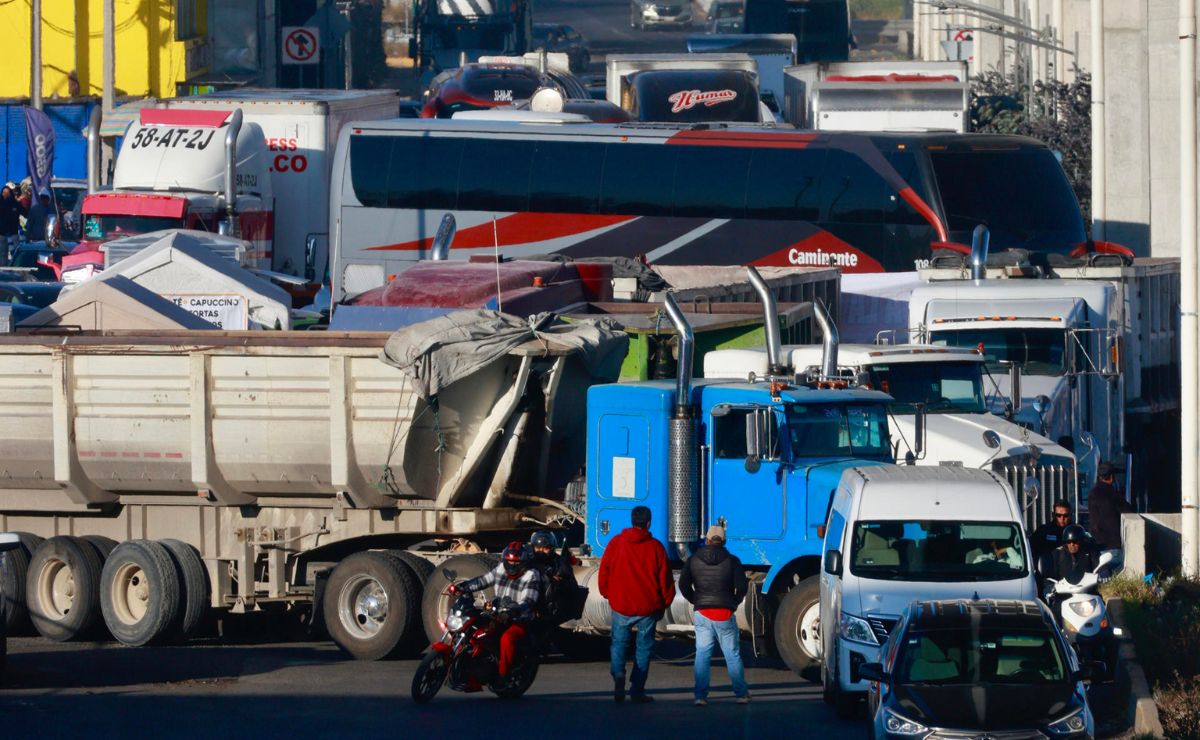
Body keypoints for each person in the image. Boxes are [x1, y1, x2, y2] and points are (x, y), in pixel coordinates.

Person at [598, 505, 675, 704]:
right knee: (643, 649)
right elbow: (665, 579)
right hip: (647, 607)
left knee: (618, 644)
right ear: (648, 523)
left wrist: (607, 593)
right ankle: (637, 689)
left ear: (632, 521)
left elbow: (604, 570)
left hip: (621, 604)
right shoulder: (656, 547)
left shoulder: (616, 543)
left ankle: (618, 674)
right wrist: (665, 602)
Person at [678, 524, 750, 706]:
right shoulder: (733, 561)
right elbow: (742, 586)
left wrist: (696, 600)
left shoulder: (693, 560)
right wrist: (733, 602)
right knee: (732, 655)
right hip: (725, 612)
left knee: (702, 654)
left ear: (708, 540)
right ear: (724, 541)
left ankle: (700, 696)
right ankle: (741, 694)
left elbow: (683, 585)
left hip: (702, 612)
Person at [453, 540, 544, 682]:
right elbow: (483, 580)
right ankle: (466, 664)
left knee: (507, 638)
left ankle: (503, 675)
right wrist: (462, 587)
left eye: (516, 563)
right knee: (473, 628)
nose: (512, 565)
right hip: (496, 614)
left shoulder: (531, 575)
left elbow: (529, 600)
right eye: (509, 562)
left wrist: (513, 611)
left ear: (523, 563)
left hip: (519, 619)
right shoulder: (501, 569)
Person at [1086, 462, 1132, 557]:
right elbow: (1128, 510)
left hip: (1097, 543)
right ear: (1111, 477)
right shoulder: (1113, 494)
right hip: (1112, 543)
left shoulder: (1092, 493)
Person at [1031, 499, 1073, 565]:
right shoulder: (1043, 531)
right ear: (1053, 515)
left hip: (1069, 569)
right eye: (1058, 515)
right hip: (1047, 570)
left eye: (1065, 515)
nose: (1062, 518)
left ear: (1070, 515)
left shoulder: (1076, 531)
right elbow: (1031, 549)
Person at [0, 184, 23, 265]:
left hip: (13, 233)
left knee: (15, 253)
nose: (5, 194)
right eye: (4, 192)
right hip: (2, 234)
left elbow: (25, 213)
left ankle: (15, 267)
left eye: (7, 192)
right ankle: (3, 270)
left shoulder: (16, 204)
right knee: (3, 254)